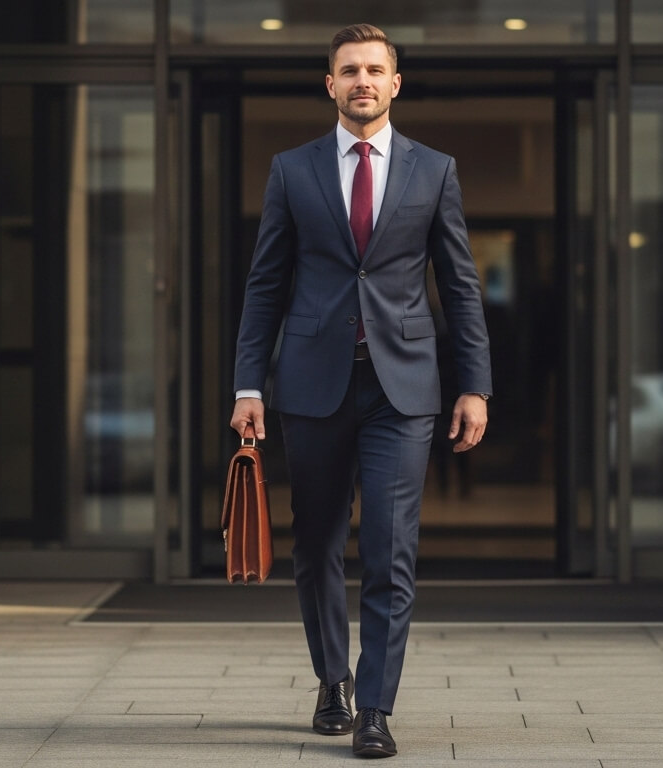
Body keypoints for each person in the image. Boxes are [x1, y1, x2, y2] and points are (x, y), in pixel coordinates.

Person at [229, 23, 492, 759]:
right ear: (331, 85)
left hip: (403, 390)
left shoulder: (433, 170)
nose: (363, 81)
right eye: (349, 70)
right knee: (315, 543)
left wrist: (475, 385)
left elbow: (461, 287)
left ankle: (375, 706)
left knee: (390, 545)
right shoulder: (293, 169)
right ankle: (332, 681)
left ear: (395, 83)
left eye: (375, 69)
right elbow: (264, 286)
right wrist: (249, 381)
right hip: (312, 387)